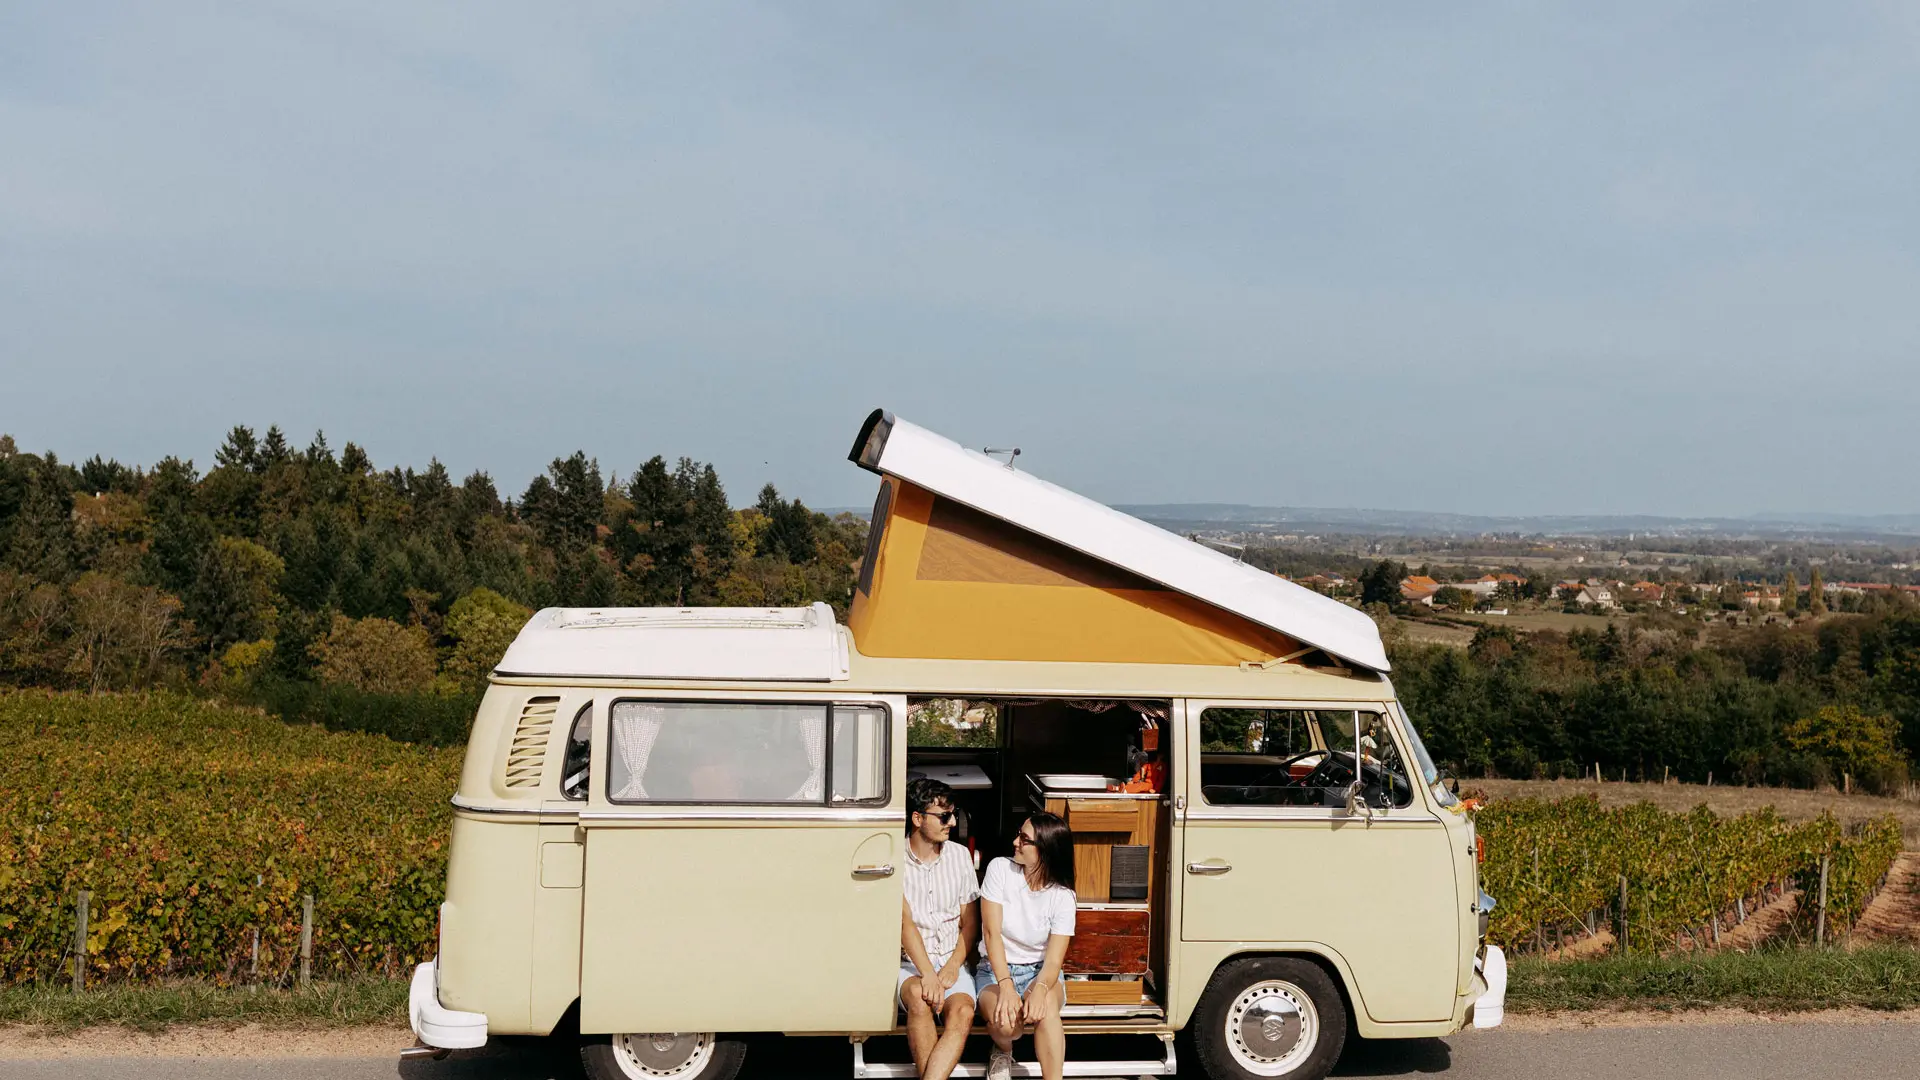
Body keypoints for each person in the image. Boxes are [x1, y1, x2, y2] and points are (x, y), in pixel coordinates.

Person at [975, 811, 1075, 1080]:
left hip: (1040, 971)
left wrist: (1041, 989)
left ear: (1044, 850)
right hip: (995, 969)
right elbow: (991, 932)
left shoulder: (1063, 897)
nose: (1015, 842)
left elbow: (1054, 960)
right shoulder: (1000, 869)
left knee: (1047, 1010)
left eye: (1024, 838)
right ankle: (1002, 1049)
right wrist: (1006, 985)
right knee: (1008, 1026)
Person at [899, 778, 979, 1080]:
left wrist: (952, 967)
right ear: (918, 818)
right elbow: (904, 924)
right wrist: (928, 973)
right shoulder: (895, 857)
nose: (953, 822)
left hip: (950, 959)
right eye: (944, 816)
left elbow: (970, 922)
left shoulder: (959, 856)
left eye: (953, 814)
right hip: (909, 963)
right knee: (920, 1000)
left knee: (963, 1012)